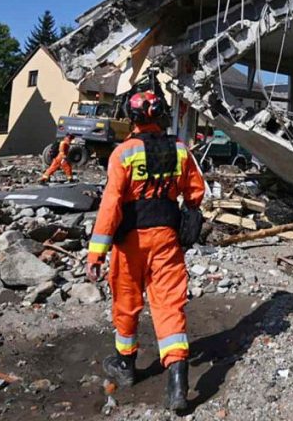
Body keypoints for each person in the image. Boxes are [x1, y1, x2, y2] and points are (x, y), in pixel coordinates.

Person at [86, 90, 205, 412]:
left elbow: (111, 205)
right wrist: (186, 212)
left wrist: (96, 252)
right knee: (169, 304)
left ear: (131, 118)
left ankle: (126, 365)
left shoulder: (123, 154)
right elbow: (196, 193)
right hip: (166, 238)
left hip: (130, 243)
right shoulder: (180, 151)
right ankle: (178, 382)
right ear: (162, 115)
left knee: (126, 301)